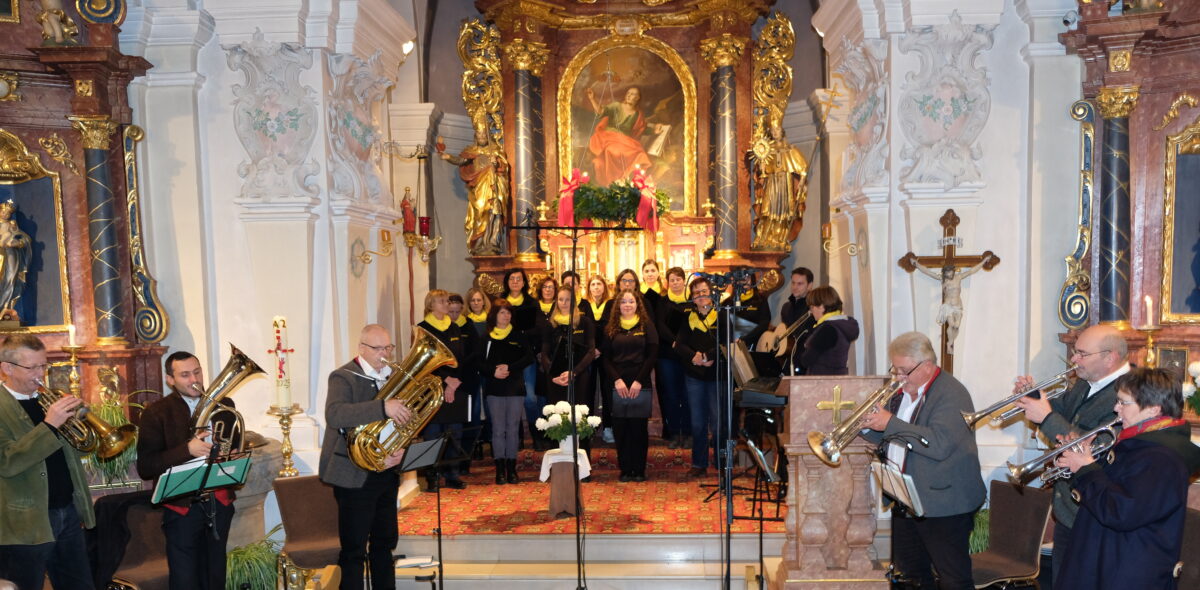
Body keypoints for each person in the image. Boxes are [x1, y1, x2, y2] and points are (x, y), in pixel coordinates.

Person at [859, 331, 985, 590]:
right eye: (895, 370)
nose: (899, 378)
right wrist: (865, 427)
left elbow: (938, 444)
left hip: (944, 502)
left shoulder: (952, 394)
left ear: (927, 366)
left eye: (904, 371)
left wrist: (890, 422)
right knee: (911, 576)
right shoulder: (902, 392)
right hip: (906, 497)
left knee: (953, 578)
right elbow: (891, 433)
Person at [1055, 367, 1200, 590]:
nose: (1116, 409)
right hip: (1108, 561)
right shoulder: (1139, 444)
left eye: (1124, 403)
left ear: (1153, 409)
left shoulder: (1162, 459)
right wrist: (1081, 462)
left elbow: (1122, 511)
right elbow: (1110, 492)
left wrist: (1086, 470)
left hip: (1125, 572)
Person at [1011, 323, 1129, 585]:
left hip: (1094, 513)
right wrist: (1033, 397)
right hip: (1068, 510)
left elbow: (1096, 449)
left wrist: (1047, 417)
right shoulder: (1087, 383)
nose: (1074, 359)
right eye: (1075, 351)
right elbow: (1061, 409)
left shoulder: (1128, 394)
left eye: (1082, 353)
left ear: (1110, 357)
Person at [318, 324, 414, 590]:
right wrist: (383, 407)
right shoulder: (343, 377)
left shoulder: (394, 375)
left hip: (386, 471)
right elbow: (335, 415)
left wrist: (401, 451)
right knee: (354, 550)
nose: (384, 353)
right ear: (362, 348)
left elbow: (405, 420)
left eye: (388, 348)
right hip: (352, 475)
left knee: (384, 544)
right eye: (378, 348)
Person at [0, 334, 95, 590]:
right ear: (7, 368)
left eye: (44, 365)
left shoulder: (47, 400)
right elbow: (7, 462)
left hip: (66, 511)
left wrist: (80, 423)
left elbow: (73, 449)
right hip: (25, 523)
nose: (41, 373)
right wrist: (49, 425)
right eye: (32, 367)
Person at [137, 350, 237, 590]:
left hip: (219, 502)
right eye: (184, 375)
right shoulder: (156, 413)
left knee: (215, 575)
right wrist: (187, 450)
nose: (194, 379)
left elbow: (232, 446)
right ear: (170, 380)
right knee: (185, 579)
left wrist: (231, 456)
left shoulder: (225, 405)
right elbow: (146, 466)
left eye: (197, 372)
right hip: (181, 507)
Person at [602, 289, 658, 482]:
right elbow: (606, 358)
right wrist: (617, 380)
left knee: (638, 428)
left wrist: (638, 381)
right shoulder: (612, 327)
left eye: (631, 301)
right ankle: (625, 469)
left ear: (637, 305)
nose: (627, 305)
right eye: (624, 301)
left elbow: (652, 355)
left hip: (639, 381)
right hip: (617, 383)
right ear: (618, 305)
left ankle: (639, 469)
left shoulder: (646, 325)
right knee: (620, 427)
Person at [674, 277, 726, 478]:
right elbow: (679, 344)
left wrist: (708, 356)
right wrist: (694, 356)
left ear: (712, 294)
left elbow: (727, 341)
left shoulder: (721, 315)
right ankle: (699, 463)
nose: (701, 296)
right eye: (697, 294)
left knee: (719, 421)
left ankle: (722, 462)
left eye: (704, 292)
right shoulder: (688, 318)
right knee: (697, 422)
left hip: (717, 375)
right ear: (692, 298)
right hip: (695, 375)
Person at [417, 290, 467, 490]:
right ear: (431, 305)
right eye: (442, 301)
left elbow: (461, 358)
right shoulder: (423, 329)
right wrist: (446, 379)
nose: (447, 304)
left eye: (447, 301)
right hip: (432, 388)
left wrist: (455, 382)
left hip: (455, 385)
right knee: (433, 434)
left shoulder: (454, 328)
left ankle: (452, 474)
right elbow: (425, 362)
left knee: (454, 433)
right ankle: (433, 477)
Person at [438, 116, 509, 255]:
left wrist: (496, 163)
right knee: (480, 211)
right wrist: (448, 157)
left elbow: (504, 166)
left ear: (488, 135)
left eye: (484, 134)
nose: (482, 136)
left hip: (494, 186)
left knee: (495, 212)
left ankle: (493, 242)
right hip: (479, 187)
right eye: (479, 134)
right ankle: (480, 243)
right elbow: (461, 160)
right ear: (475, 135)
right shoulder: (471, 150)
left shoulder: (495, 150)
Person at [482, 300, 534, 484]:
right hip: (494, 388)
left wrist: (510, 367)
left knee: (512, 428)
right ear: (494, 315)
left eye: (508, 313)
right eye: (502, 313)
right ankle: (499, 469)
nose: (506, 316)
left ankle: (512, 469)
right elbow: (480, 363)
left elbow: (529, 357)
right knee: (498, 429)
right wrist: (493, 371)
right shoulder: (486, 337)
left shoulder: (518, 335)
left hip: (514, 387)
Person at [583, 86, 665, 185]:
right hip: (609, 138)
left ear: (638, 98)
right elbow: (600, 111)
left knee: (640, 154)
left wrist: (654, 131)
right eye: (628, 93)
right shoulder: (616, 106)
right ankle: (612, 182)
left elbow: (641, 129)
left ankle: (625, 182)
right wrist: (592, 99)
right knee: (615, 151)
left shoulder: (638, 114)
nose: (629, 95)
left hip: (626, 141)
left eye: (633, 94)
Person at [749, 121, 808, 250]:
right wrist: (761, 167)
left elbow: (802, 167)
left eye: (778, 129)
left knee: (784, 212)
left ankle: (781, 237)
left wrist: (802, 181)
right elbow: (760, 173)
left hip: (784, 183)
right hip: (772, 183)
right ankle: (764, 237)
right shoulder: (767, 150)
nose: (775, 132)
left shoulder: (791, 149)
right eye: (773, 130)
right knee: (767, 211)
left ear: (782, 132)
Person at [656, 266, 691, 449]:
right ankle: (674, 433)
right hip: (667, 354)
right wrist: (675, 341)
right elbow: (660, 325)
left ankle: (687, 433)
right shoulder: (663, 301)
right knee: (670, 395)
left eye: (678, 279)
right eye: (672, 280)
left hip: (687, 355)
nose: (675, 283)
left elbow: (693, 325)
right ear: (667, 282)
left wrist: (682, 343)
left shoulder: (692, 301)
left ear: (684, 281)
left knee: (686, 394)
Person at [542, 287, 596, 406]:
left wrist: (574, 372)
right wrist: (553, 375)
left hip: (579, 375)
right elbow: (544, 353)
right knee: (557, 416)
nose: (564, 303)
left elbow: (591, 351)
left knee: (579, 414)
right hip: (556, 377)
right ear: (556, 301)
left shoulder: (585, 322)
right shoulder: (549, 324)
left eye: (568, 299)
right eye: (561, 299)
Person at [448, 293, 481, 474]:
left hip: (468, 377)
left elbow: (476, 350)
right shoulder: (444, 327)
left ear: (462, 309)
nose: (453, 315)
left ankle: (465, 460)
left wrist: (461, 365)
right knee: (454, 422)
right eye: (450, 311)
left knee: (471, 419)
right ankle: (451, 461)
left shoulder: (468, 325)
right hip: (450, 379)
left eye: (456, 311)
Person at [580, 275, 613, 443]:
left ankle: (608, 427)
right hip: (589, 354)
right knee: (588, 390)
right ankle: (588, 428)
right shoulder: (584, 305)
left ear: (604, 287)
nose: (596, 287)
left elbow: (612, 329)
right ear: (589, 287)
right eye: (593, 284)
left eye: (599, 284)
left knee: (607, 391)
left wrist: (601, 349)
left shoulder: (611, 304)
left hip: (606, 353)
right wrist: (591, 351)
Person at [799, 286, 860, 376]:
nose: (811, 311)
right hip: (835, 379)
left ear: (822, 307)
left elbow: (806, 360)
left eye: (812, 307)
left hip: (823, 382)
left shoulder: (827, 329)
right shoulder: (839, 325)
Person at [770, 267, 816, 375]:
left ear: (810, 285)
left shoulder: (814, 307)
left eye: (800, 284)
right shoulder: (786, 307)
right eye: (793, 283)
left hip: (805, 362)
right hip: (787, 361)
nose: (795, 287)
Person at [0, 202, 31, 321]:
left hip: (11, 255)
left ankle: (5, 307)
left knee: (10, 277)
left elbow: (25, 238)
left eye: (8, 213)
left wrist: (19, 243)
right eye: (3, 211)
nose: (5, 214)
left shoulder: (12, 225)